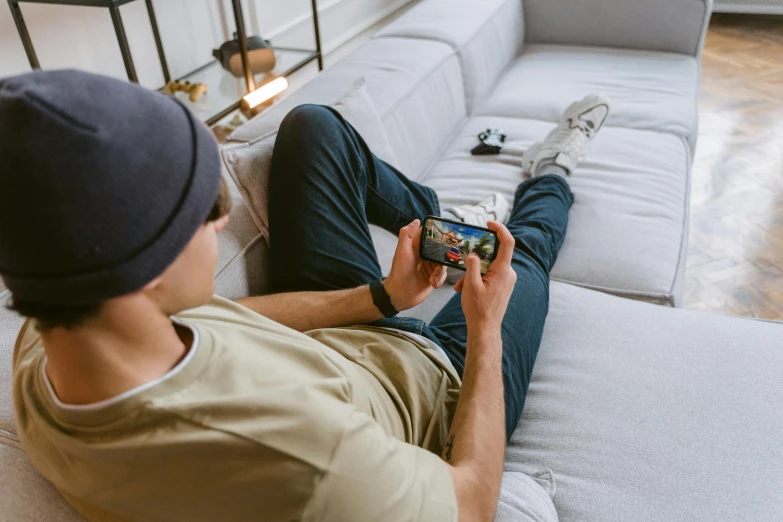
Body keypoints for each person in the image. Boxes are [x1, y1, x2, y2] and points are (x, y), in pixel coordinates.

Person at [1, 70, 609, 521]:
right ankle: (551, 171)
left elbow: (226, 319)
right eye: (206, 211)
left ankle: (442, 231)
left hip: (342, 343)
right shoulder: (304, 459)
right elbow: (471, 504)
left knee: (313, 127)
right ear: (147, 273)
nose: (229, 211)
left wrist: (383, 296)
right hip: (435, 390)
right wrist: (486, 328)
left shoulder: (51, 335)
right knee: (519, 258)